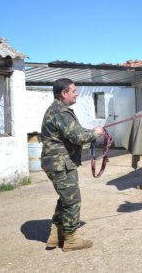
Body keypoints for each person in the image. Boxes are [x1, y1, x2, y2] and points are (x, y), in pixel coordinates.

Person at [41, 78, 104, 252]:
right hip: (61, 164)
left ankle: (55, 236)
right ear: (64, 93)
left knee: (65, 198)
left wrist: (90, 132)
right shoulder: (61, 112)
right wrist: (95, 133)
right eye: (73, 91)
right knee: (72, 201)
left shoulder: (58, 110)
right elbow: (78, 137)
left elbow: (74, 132)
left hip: (56, 163)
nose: (76, 94)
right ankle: (70, 239)